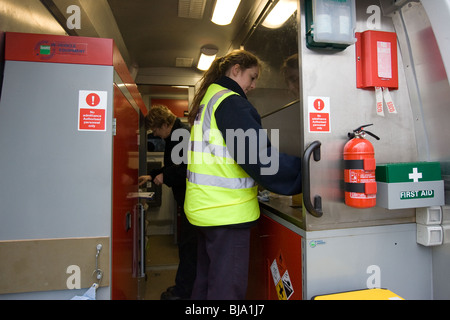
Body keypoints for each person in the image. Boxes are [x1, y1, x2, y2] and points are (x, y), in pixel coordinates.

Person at [184, 50, 302, 300]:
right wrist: (307, 173)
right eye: (252, 77)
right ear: (236, 70)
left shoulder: (209, 98)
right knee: (226, 291)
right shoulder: (230, 102)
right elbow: (260, 158)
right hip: (227, 214)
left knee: (206, 285)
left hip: (206, 210)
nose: (254, 85)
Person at [139, 105, 197, 300]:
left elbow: (186, 169)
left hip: (193, 201)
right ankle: (184, 288)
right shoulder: (177, 134)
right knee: (188, 247)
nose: (156, 135)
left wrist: (164, 176)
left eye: (156, 130)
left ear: (165, 124)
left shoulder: (181, 135)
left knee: (189, 248)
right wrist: (153, 175)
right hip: (188, 200)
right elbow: (174, 165)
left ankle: (184, 293)